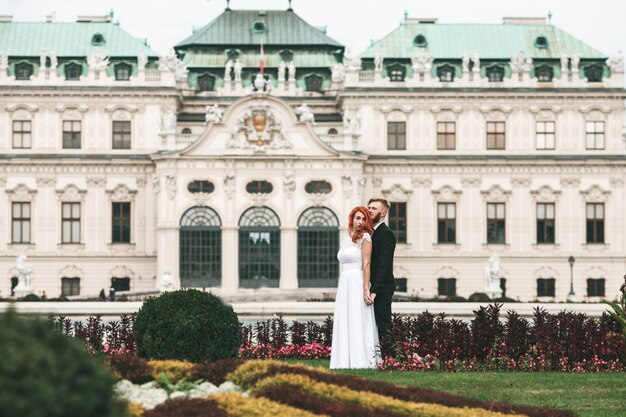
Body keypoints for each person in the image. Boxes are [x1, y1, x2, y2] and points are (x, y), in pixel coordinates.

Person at [330, 206, 380, 369]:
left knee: (358, 318)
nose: (361, 222)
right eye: (358, 218)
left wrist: (366, 288)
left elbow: (366, 263)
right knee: (346, 317)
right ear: (352, 219)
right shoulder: (346, 238)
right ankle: (343, 360)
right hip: (345, 281)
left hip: (358, 280)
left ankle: (361, 360)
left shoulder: (366, 237)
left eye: (364, 219)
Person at [367, 197, 396, 356]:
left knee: (383, 324)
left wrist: (374, 290)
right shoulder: (370, 233)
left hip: (382, 289)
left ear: (383, 213)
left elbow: (384, 266)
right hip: (373, 287)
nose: (370, 210)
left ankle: (390, 359)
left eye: (374, 208)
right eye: (369, 207)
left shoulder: (385, 234)